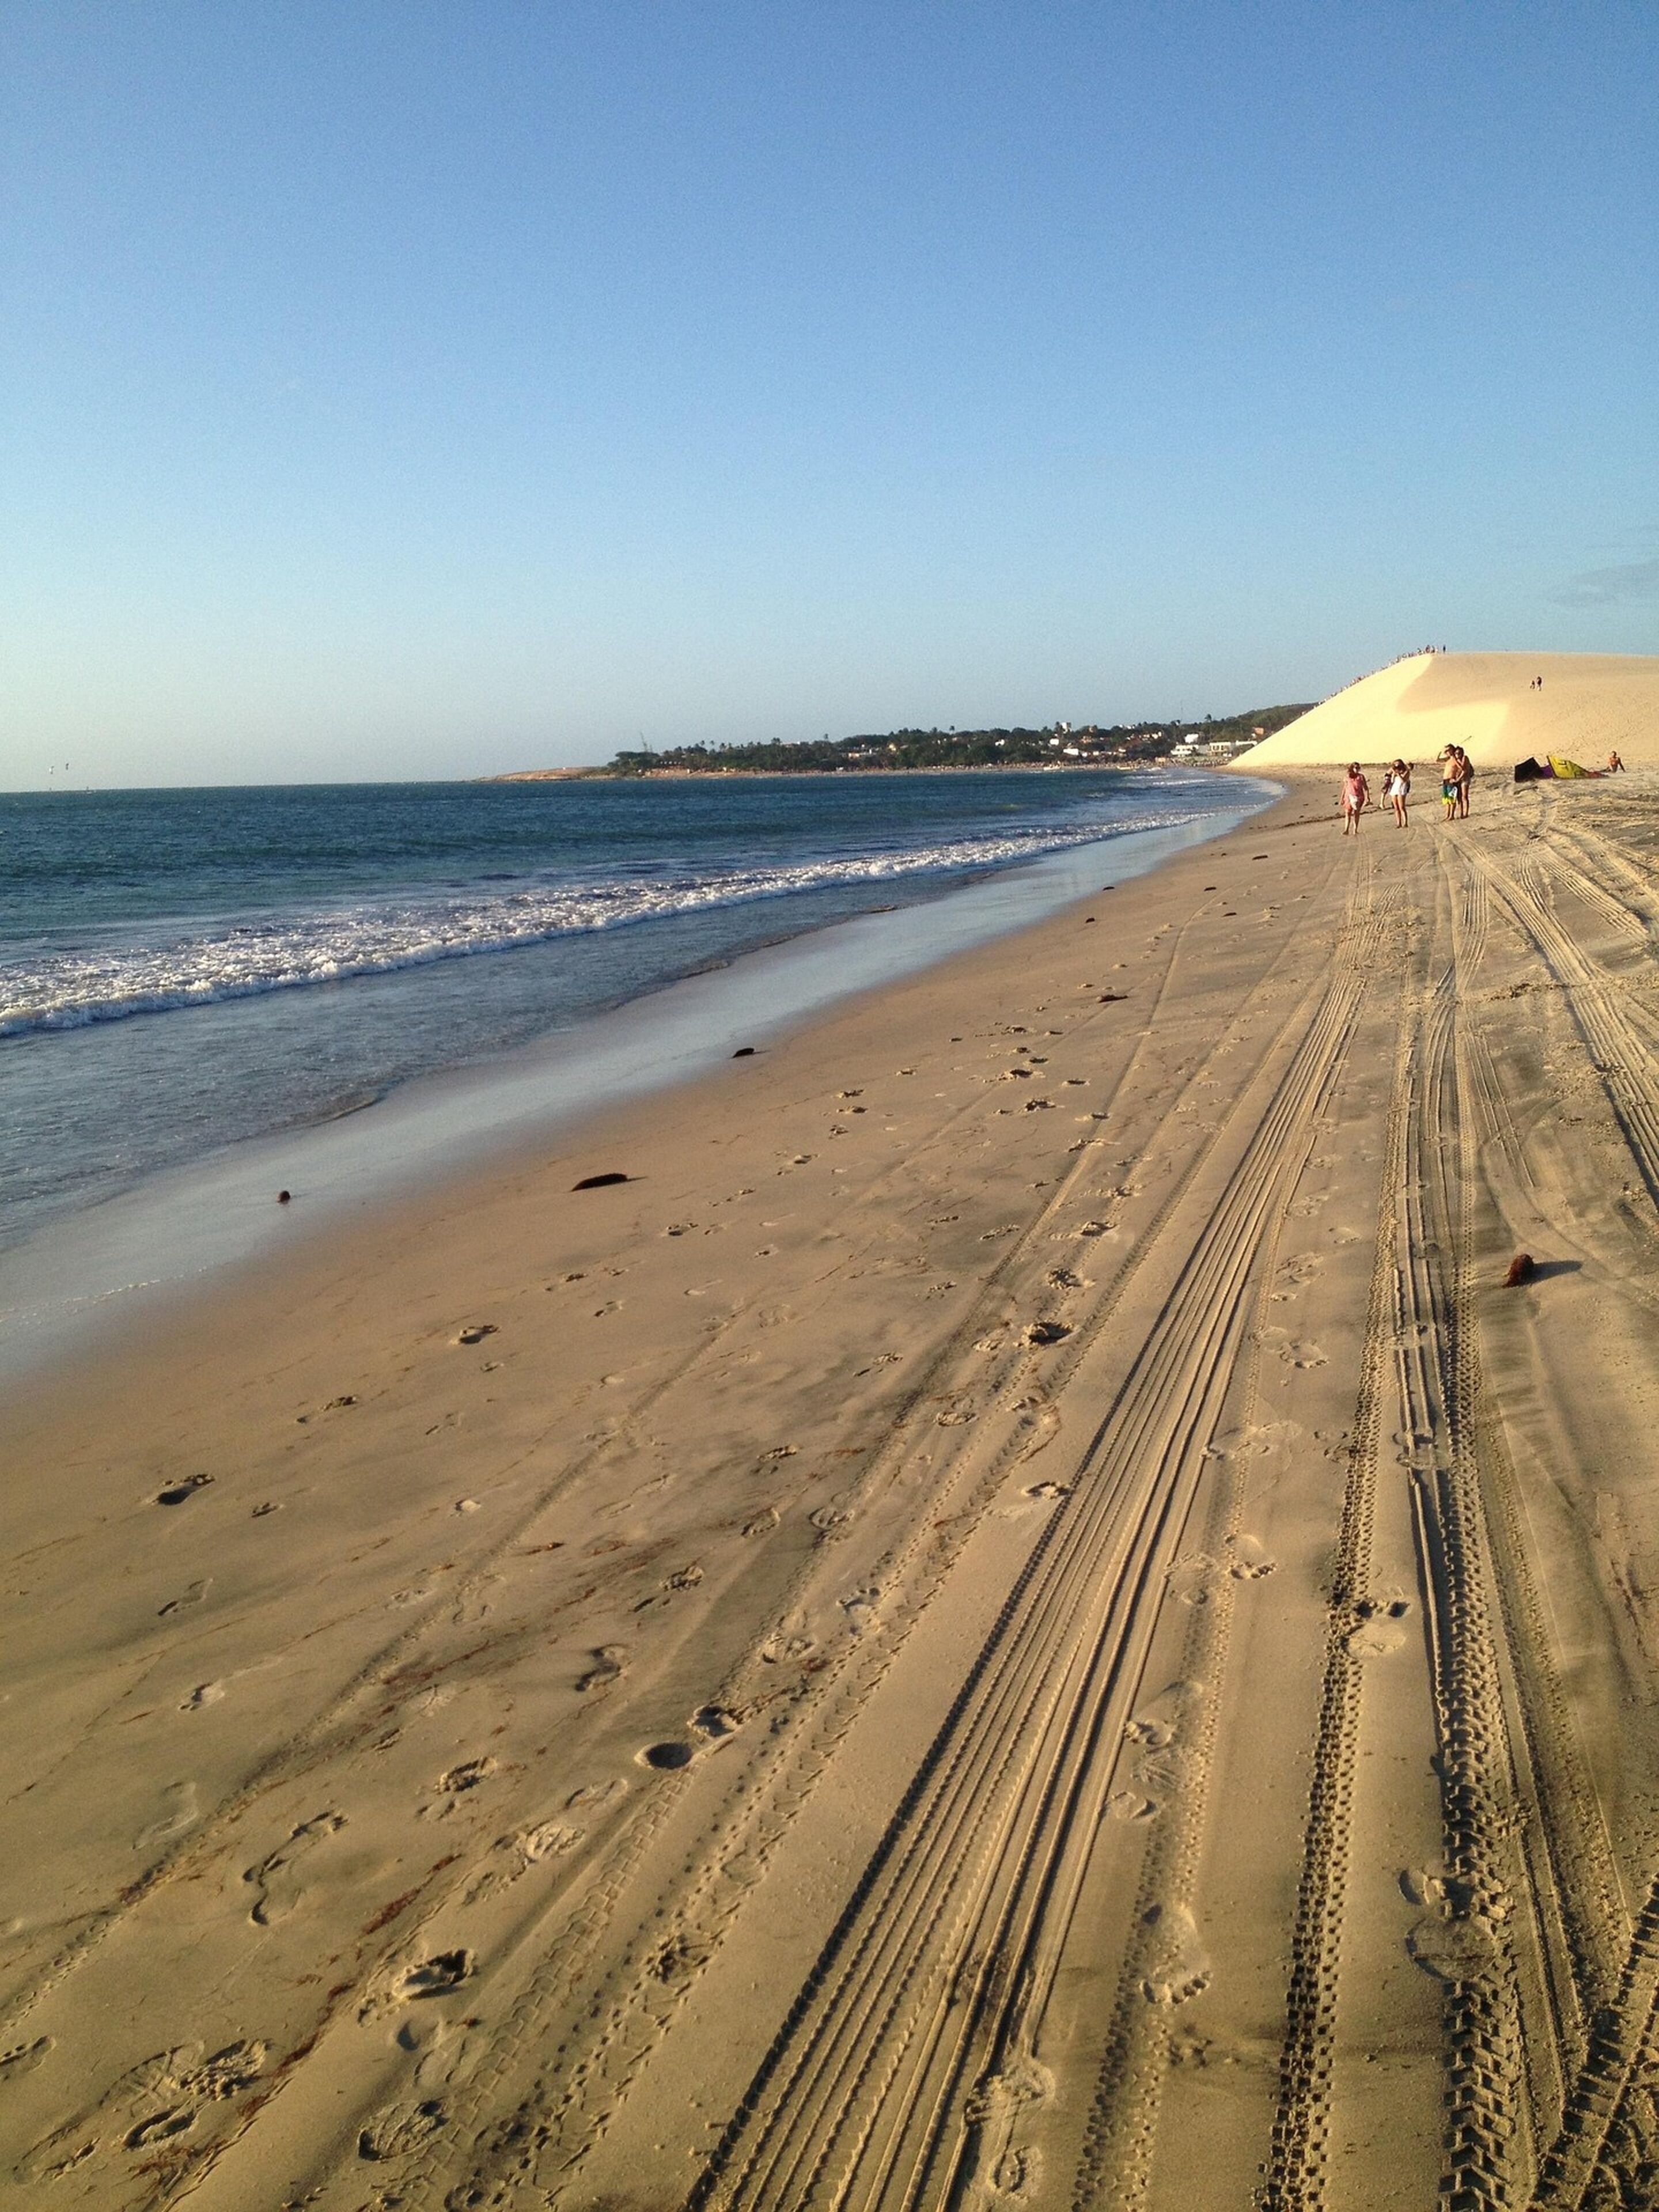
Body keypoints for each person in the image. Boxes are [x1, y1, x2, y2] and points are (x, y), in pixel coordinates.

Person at [1340, 762, 1369, 834]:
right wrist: (1342, 798)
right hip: (1349, 796)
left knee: (1357, 813)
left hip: (1359, 796)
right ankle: (1346, 829)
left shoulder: (1361, 777)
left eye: (1359, 768)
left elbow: (1365, 787)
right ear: (1352, 768)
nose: (1358, 769)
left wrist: (1367, 797)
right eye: (1356, 768)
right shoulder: (1347, 777)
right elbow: (1345, 788)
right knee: (1348, 813)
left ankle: (1355, 830)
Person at [1385, 759, 1411, 827]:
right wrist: (1394, 774)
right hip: (1395, 789)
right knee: (1396, 808)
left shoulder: (1406, 772)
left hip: (1402, 789)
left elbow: (1403, 781)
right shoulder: (1395, 772)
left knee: (1402, 807)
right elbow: (1392, 781)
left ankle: (1405, 823)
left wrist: (1399, 774)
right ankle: (1398, 823)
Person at [1455, 746, 1474, 819]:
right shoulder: (1457, 760)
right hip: (1458, 780)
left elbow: (1463, 768)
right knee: (1459, 798)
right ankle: (1461, 813)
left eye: (1459, 753)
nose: (1457, 755)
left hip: (1465, 780)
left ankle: (1466, 813)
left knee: (1464, 797)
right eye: (1456, 753)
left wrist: (1456, 761)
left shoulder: (1464, 758)